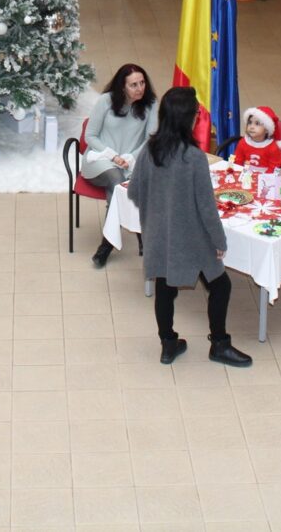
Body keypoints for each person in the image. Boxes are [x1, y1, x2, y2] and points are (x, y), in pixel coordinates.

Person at [132, 86, 253, 368]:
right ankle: (219, 344)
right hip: (192, 239)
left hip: (159, 236)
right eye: (198, 113)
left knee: (164, 287)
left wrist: (162, 209)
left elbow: (136, 191)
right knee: (220, 286)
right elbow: (207, 209)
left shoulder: (150, 150)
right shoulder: (194, 158)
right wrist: (219, 242)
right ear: (188, 119)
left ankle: (168, 343)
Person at [85, 63, 158, 268]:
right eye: (133, 85)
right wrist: (114, 156)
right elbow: (90, 136)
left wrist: (131, 157)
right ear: (122, 87)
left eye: (142, 83)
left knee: (124, 183)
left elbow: (150, 139)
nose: (140, 88)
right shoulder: (105, 101)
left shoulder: (151, 103)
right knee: (117, 181)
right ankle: (111, 243)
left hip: (132, 162)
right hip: (101, 159)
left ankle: (114, 240)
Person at [229, 106, 281, 172]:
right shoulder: (243, 142)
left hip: (265, 178)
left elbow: (274, 167)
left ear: (267, 129)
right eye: (249, 122)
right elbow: (238, 161)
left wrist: (262, 179)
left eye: (257, 123)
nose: (251, 127)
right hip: (245, 176)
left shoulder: (273, 148)